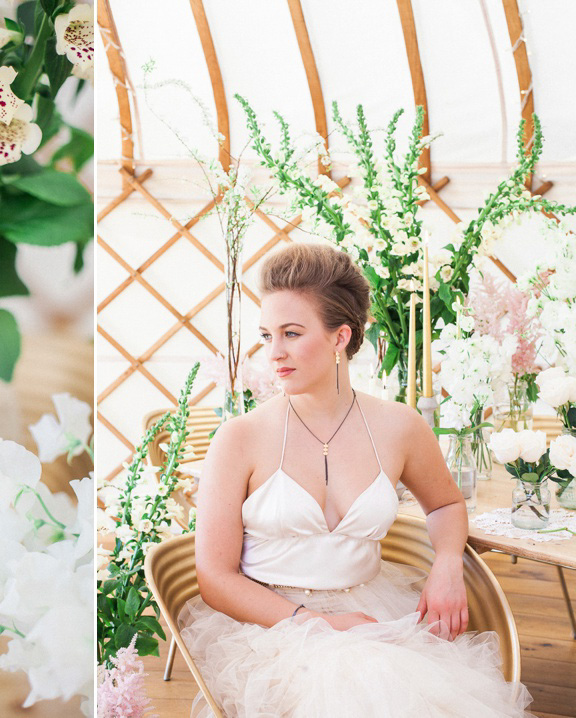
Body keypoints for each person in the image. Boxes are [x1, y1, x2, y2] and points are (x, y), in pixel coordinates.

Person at [180, 243, 531, 717]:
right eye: (266, 336)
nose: (274, 353)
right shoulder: (239, 438)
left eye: (291, 333)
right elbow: (215, 578)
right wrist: (321, 624)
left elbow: (446, 504)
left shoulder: (400, 426)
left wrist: (447, 562)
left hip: (375, 612)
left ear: (340, 336)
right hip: (272, 625)